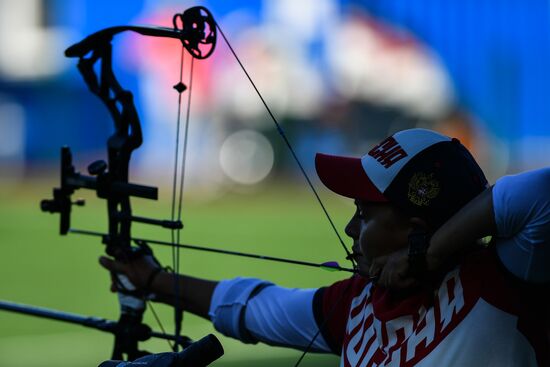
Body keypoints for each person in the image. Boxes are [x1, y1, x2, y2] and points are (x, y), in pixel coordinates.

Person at [100, 128, 550, 366]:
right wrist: (154, 281)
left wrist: (427, 255)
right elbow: (259, 308)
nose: (352, 227)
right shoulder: (358, 305)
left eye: (366, 213)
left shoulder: (506, 276)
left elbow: (540, 193)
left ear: (416, 226)